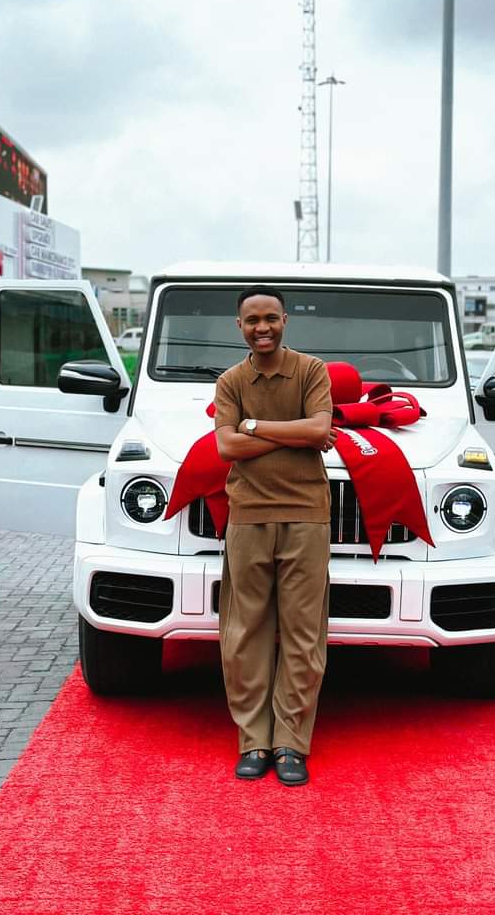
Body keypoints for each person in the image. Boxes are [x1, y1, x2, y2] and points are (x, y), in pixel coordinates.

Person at [213, 285, 335, 786]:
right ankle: (254, 742)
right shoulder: (230, 380)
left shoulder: (311, 371)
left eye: (270, 317)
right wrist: (296, 429)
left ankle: (290, 742)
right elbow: (225, 447)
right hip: (247, 516)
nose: (261, 327)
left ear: (285, 319)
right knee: (245, 633)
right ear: (238, 327)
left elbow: (320, 431)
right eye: (251, 320)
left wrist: (256, 425)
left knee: (304, 634)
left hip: (307, 513)